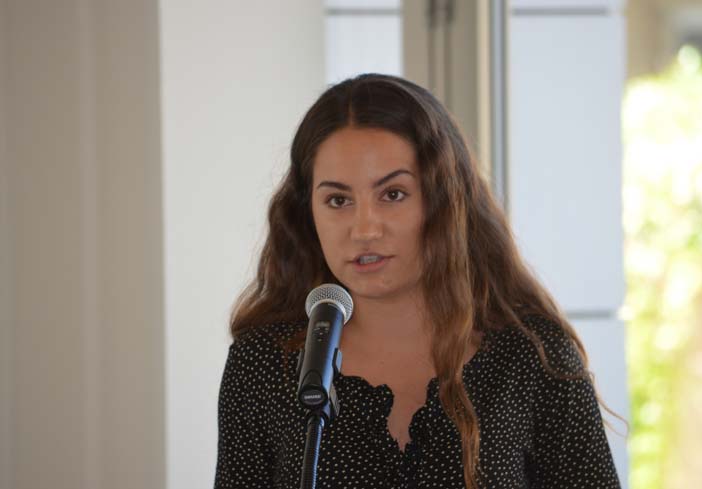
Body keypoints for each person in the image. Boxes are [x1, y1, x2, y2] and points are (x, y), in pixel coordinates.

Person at [214, 73, 622, 489]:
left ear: (443, 199)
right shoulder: (262, 364)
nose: (364, 228)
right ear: (307, 213)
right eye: (338, 200)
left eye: (392, 194)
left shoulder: (532, 356)